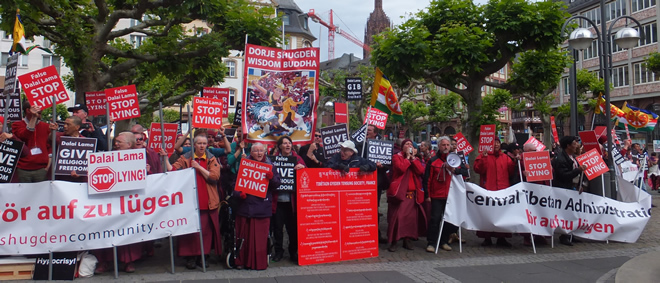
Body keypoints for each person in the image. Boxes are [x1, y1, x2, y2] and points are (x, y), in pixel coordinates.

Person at [166, 134, 222, 269]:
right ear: (194, 145)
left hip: (207, 201)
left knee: (206, 233)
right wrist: (164, 157)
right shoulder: (185, 158)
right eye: (199, 143)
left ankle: (203, 257)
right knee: (190, 233)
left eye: (204, 143)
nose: (202, 146)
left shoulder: (211, 158)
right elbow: (172, 170)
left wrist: (198, 167)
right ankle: (190, 258)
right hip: (190, 201)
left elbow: (214, 176)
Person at [94, 132, 147, 273]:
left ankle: (128, 262)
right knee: (106, 230)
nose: (116, 144)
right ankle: (104, 262)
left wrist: (145, 171)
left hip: (128, 201)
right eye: (116, 141)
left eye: (119, 142)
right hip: (110, 200)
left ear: (129, 145)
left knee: (128, 231)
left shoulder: (138, 157)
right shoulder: (107, 156)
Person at [232, 143, 279, 270]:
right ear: (251, 152)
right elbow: (235, 185)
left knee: (260, 239)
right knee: (243, 238)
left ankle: (258, 263)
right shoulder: (244, 165)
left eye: (261, 151)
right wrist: (239, 193)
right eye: (256, 151)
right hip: (245, 207)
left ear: (265, 152)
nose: (259, 153)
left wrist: (272, 178)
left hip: (262, 208)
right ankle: (241, 261)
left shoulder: (270, 166)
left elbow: (277, 185)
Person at [386, 139, 426, 252]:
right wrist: (407, 158)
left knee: (410, 219)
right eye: (407, 144)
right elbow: (401, 168)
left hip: (412, 194)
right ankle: (394, 240)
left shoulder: (416, 159)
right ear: (402, 147)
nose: (409, 146)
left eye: (411, 144)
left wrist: (413, 159)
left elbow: (420, 171)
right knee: (397, 218)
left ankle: (407, 239)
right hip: (400, 194)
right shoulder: (396, 157)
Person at [474, 138, 516, 247]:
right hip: (488, 190)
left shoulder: (506, 158)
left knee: (502, 215)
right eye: (494, 142)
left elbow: (512, 171)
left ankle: (501, 238)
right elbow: (478, 169)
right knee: (487, 215)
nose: (496, 144)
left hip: (503, 190)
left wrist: (516, 161)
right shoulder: (484, 156)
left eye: (497, 142)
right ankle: (487, 238)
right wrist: (483, 157)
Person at [271, 136, 305, 262]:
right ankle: (279, 252)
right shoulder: (273, 159)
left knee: (293, 230)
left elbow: (307, 176)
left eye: (289, 143)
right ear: (279, 146)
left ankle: (293, 252)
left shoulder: (297, 158)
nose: (287, 145)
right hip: (278, 201)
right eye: (284, 143)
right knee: (278, 229)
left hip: (292, 203)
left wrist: (302, 169)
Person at [423, 136, 460, 253]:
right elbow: (427, 179)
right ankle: (431, 242)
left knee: (448, 220)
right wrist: (427, 195)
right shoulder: (433, 161)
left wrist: (454, 169)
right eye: (443, 145)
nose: (446, 147)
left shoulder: (455, 159)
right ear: (439, 146)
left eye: (448, 145)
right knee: (435, 219)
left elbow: (464, 172)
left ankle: (443, 241)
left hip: (450, 195)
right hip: (436, 195)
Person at [551, 136, 587, 246]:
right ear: (568, 145)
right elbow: (563, 175)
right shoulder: (561, 159)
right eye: (574, 143)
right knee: (565, 213)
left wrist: (580, 184)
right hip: (564, 188)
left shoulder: (572, 157)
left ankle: (571, 233)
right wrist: (578, 170)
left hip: (572, 188)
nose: (576, 144)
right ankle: (564, 235)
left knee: (572, 213)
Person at [13, 102, 51, 183]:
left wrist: (47, 166)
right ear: (28, 110)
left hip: (41, 169)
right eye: (35, 107)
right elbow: (25, 136)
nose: (40, 109)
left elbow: (50, 147)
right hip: (23, 169)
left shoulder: (46, 126)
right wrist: (34, 118)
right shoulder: (17, 125)